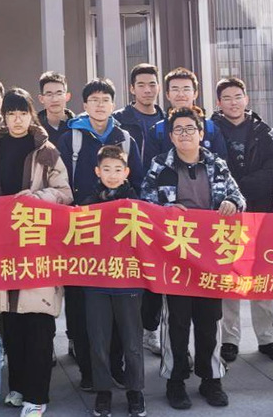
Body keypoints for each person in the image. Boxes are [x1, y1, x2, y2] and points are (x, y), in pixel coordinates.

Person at [0, 89, 73, 417]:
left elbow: (64, 192)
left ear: (31, 114)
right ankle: (17, 387)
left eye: (22, 113)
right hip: (1, 244)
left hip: (37, 243)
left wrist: (38, 198)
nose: (17, 120)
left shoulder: (46, 150)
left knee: (38, 323)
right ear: (2, 116)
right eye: (11, 113)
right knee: (11, 321)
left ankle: (37, 396)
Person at [142, 107, 245, 410]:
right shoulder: (159, 165)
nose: (185, 134)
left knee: (209, 320)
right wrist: (165, 211)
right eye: (179, 130)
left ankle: (211, 379)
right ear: (171, 136)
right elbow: (145, 203)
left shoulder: (217, 164)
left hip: (210, 257)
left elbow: (239, 197)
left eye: (190, 129)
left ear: (201, 134)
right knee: (176, 321)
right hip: (174, 256)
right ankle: (175, 381)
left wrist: (231, 202)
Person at [55, 79, 144, 391]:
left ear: (113, 104)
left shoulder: (126, 138)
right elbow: (62, 183)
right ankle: (89, 371)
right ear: (84, 105)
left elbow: (138, 183)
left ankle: (116, 367)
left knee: (118, 306)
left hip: (120, 240)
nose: (100, 105)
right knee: (82, 305)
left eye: (105, 99)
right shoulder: (71, 138)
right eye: (94, 100)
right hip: (82, 234)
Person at [208, 78, 273, 364]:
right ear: (219, 103)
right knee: (229, 276)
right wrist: (231, 192)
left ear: (246, 99)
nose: (233, 102)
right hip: (226, 214)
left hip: (258, 210)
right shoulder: (211, 130)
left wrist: (241, 187)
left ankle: (267, 338)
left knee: (260, 274)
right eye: (227, 98)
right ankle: (230, 339)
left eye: (238, 96)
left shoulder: (261, 131)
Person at [84, 145, 145, 417]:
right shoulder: (87, 203)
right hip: (96, 279)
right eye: (106, 169)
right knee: (98, 340)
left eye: (117, 169)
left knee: (132, 341)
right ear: (97, 171)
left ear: (126, 172)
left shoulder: (137, 203)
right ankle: (103, 391)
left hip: (128, 280)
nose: (112, 175)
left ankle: (135, 391)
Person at [111, 64, 165, 358]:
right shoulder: (119, 121)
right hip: (127, 205)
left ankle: (150, 329)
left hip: (157, 206)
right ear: (132, 88)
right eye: (141, 84)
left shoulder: (167, 121)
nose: (147, 89)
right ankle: (125, 332)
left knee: (155, 269)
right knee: (128, 272)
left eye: (152, 84)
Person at [142, 68, 228, 162]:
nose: (181, 94)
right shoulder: (157, 131)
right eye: (175, 89)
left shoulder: (211, 128)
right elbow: (149, 167)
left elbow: (221, 164)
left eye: (186, 89)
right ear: (167, 95)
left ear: (195, 94)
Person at [37, 71, 75, 146]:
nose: (55, 99)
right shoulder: (34, 129)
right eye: (49, 94)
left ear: (67, 96)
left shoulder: (78, 127)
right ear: (41, 99)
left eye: (59, 94)